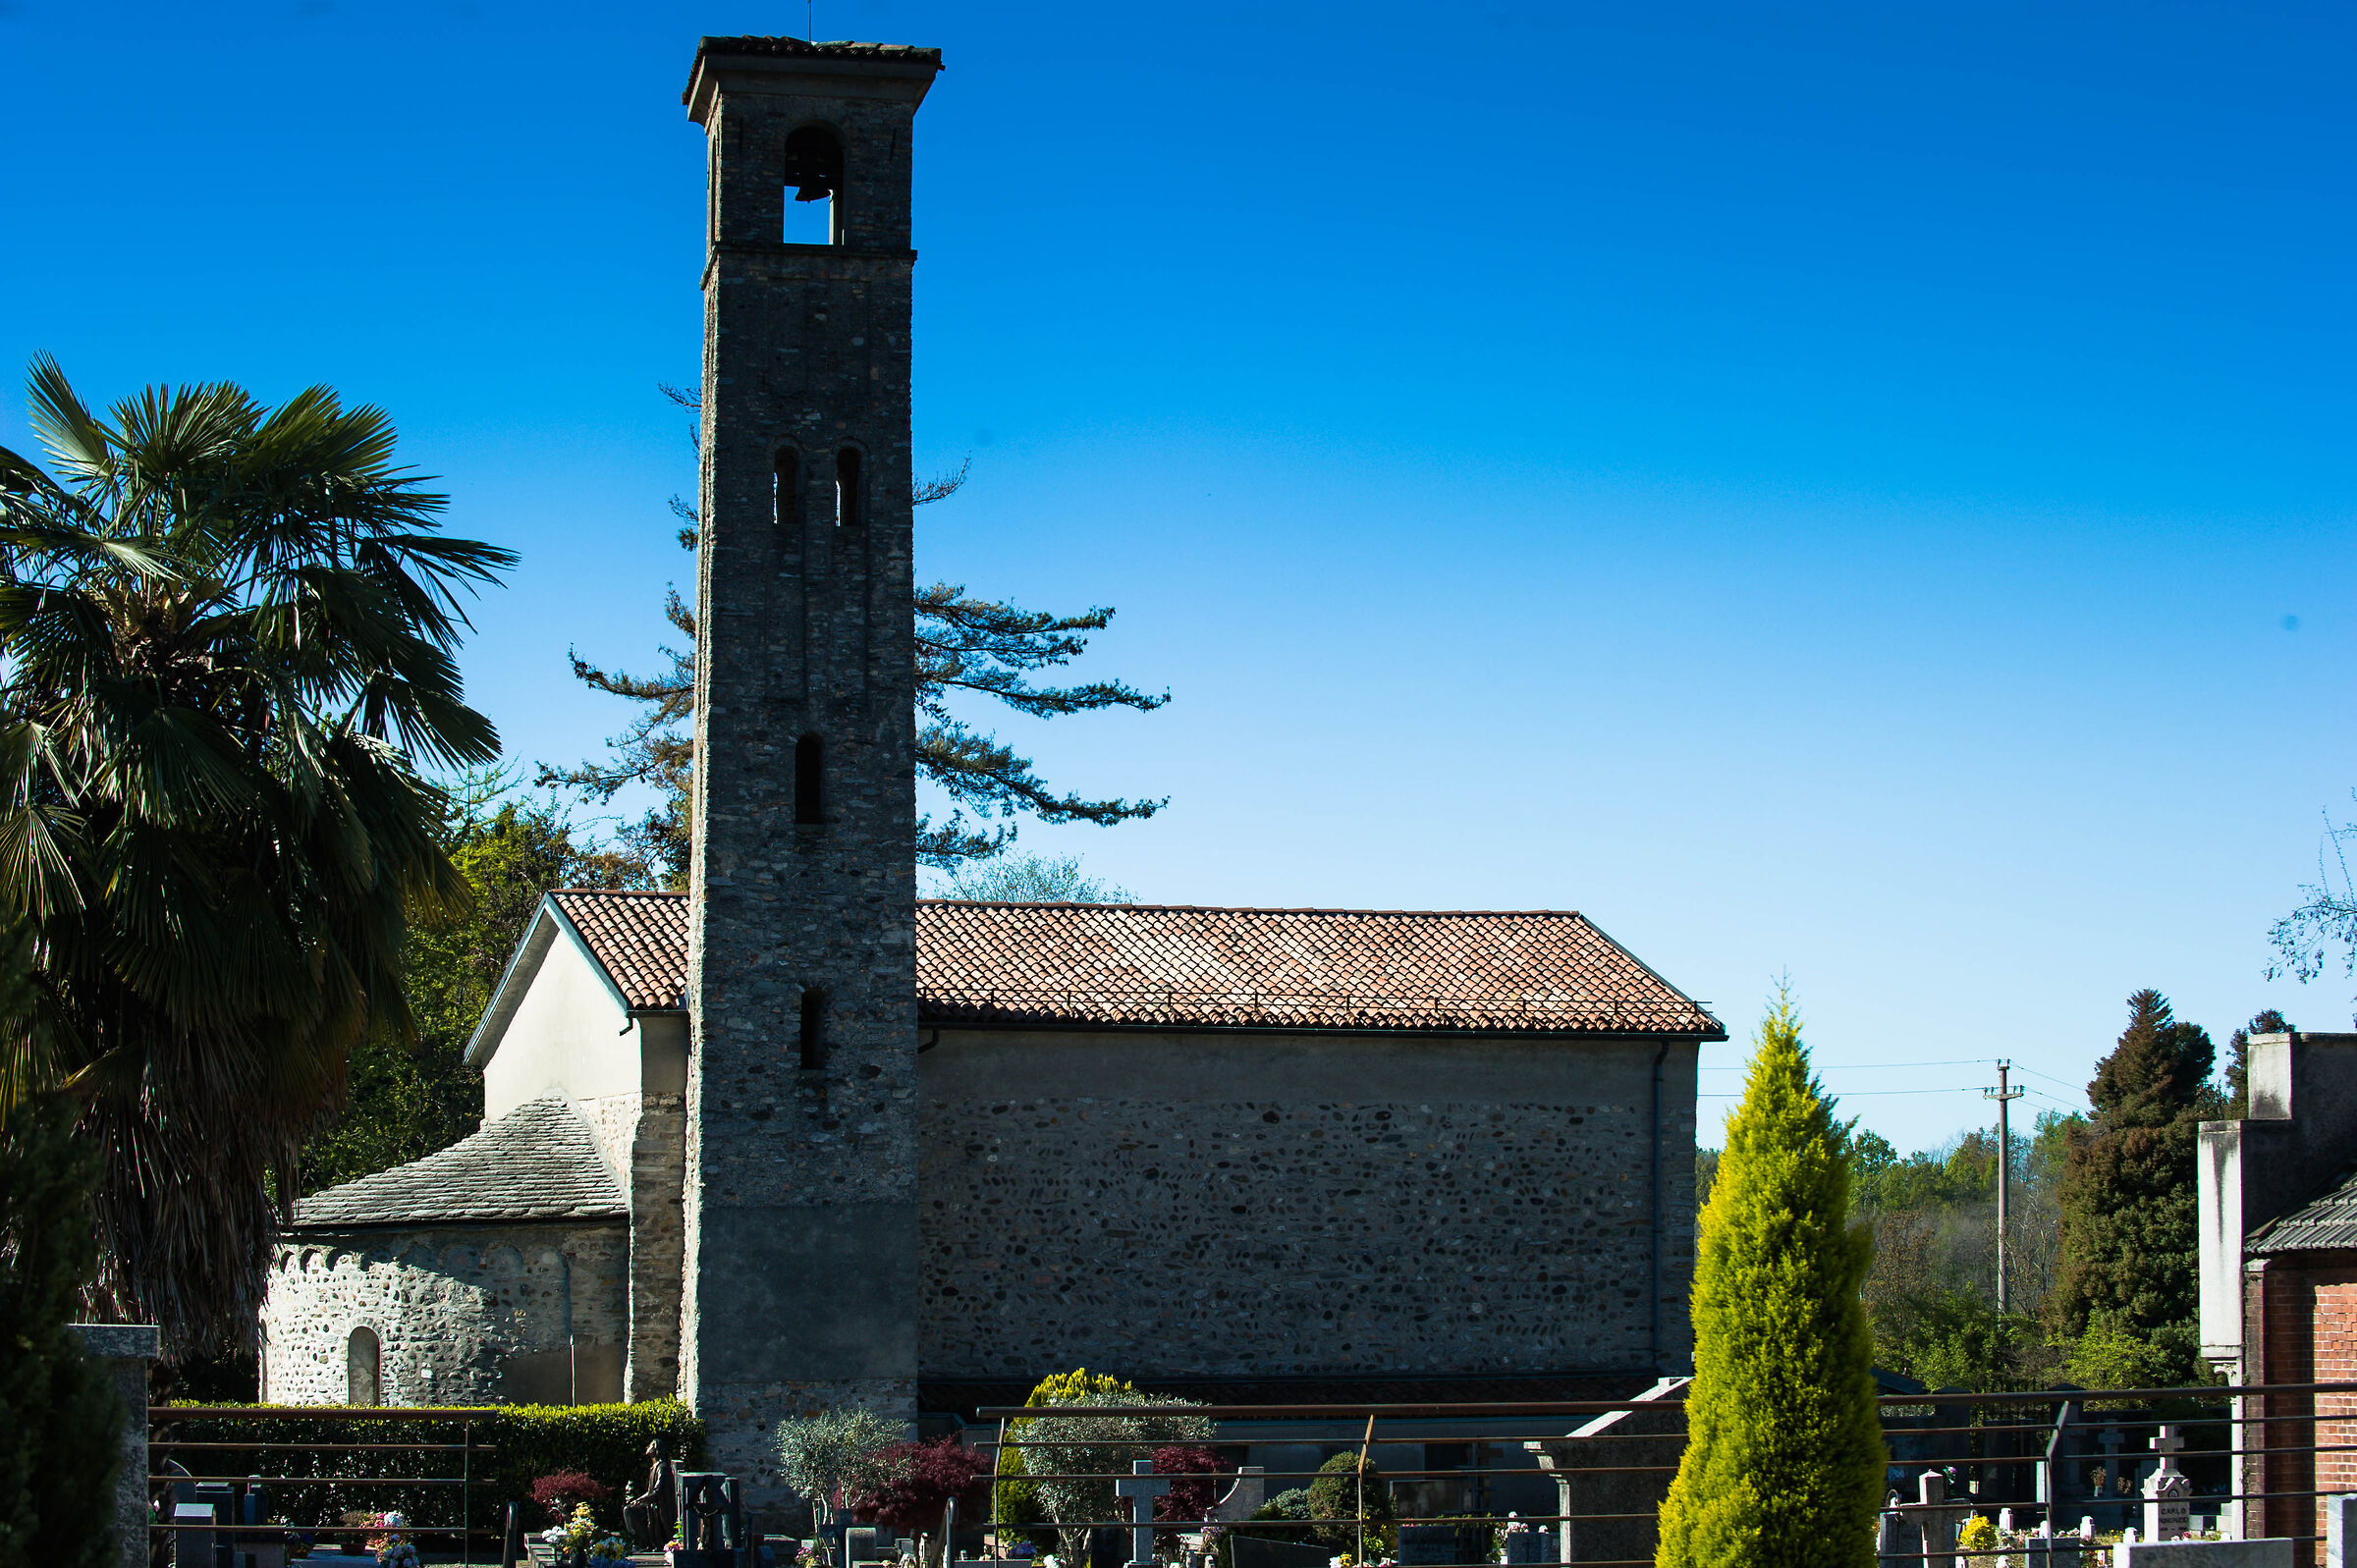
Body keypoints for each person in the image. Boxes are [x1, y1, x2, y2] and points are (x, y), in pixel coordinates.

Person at [625, 1439, 678, 1548]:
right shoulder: (655, 1466)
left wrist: (641, 1500)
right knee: (629, 1509)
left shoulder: (662, 1467)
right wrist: (641, 1499)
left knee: (630, 1511)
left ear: (656, 1449)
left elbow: (658, 1491)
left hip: (660, 1507)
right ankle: (642, 1541)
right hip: (653, 1504)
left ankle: (644, 1543)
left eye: (651, 1446)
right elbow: (650, 1491)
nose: (648, 1447)